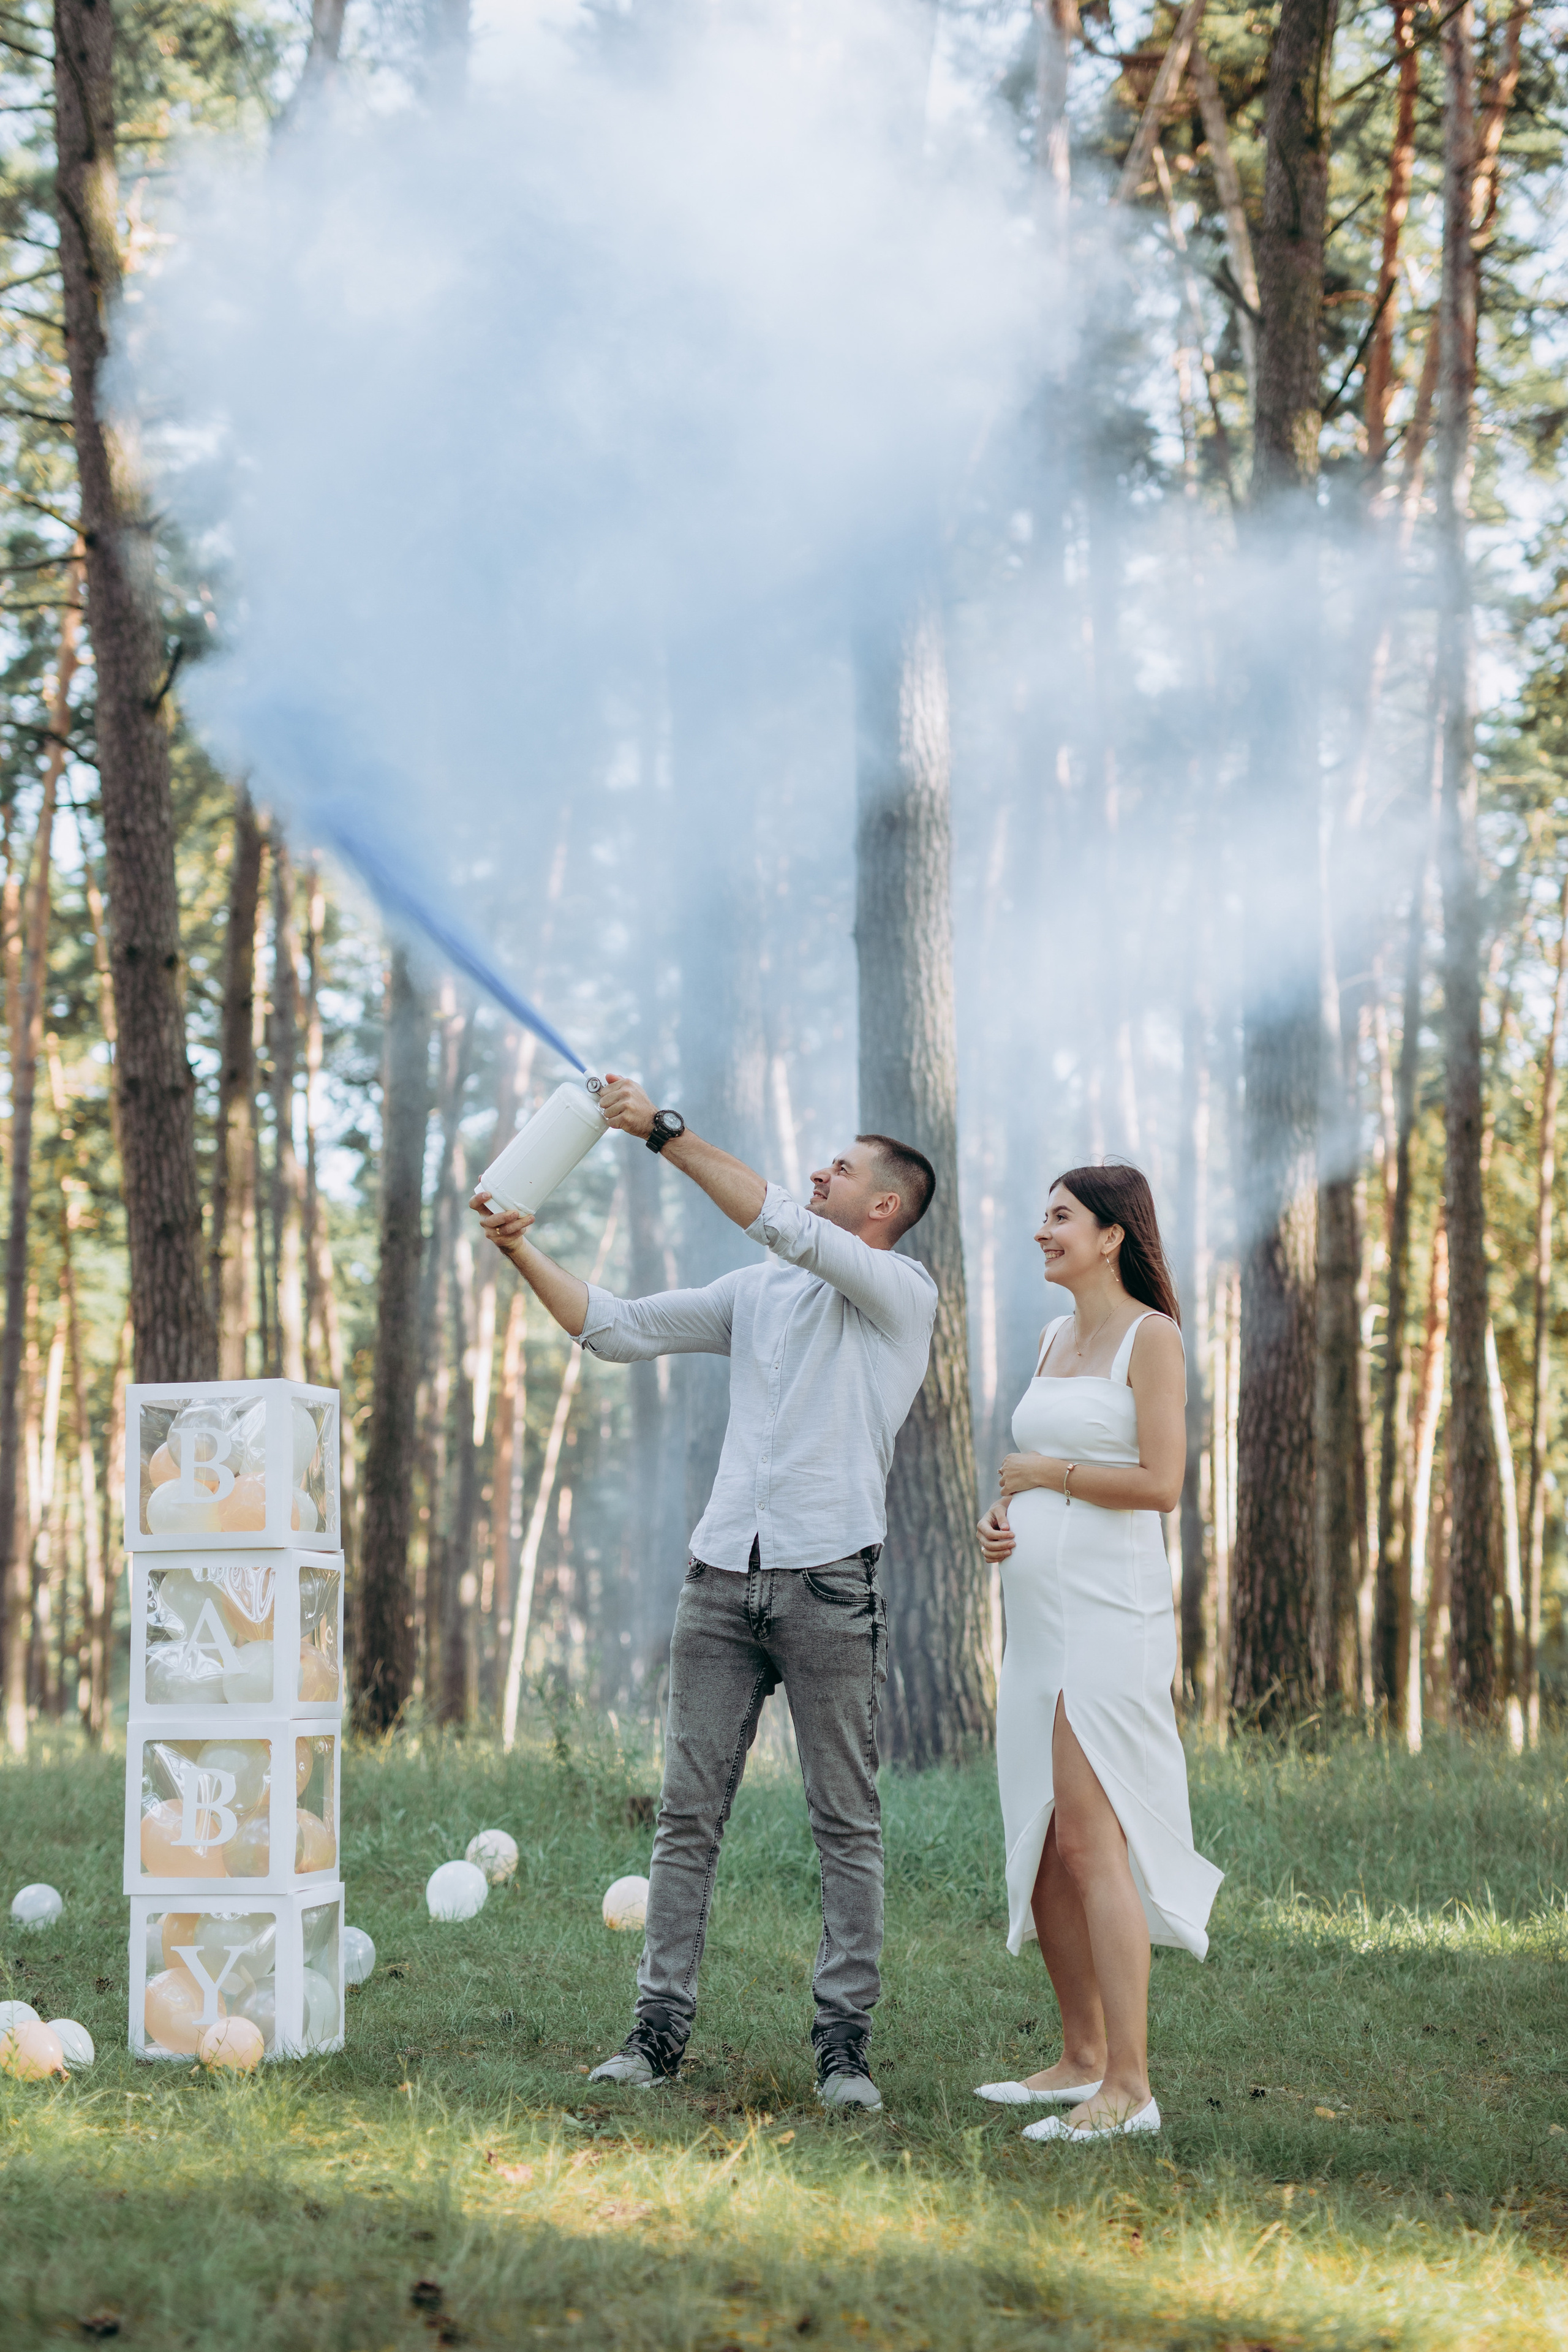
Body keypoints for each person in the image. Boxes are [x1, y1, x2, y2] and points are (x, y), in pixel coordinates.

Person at [472, 1076, 938, 2113]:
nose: (821, 1172)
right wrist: (519, 1248)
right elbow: (618, 1328)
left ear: (884, 1210)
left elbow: (777, 1214)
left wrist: (662, 1130)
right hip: (720, 1581)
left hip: (831, 1586)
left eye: (843, 1168)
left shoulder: (901, 1295)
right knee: (686, 1820)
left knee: (846, 1824)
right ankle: (654, 2036)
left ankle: (844, 2049)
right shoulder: (759, 1291)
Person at [973, 1164, 1222, 2144]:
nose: (1043, 1231)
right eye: (1043, 1215)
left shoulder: (1150, 1338)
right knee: (1040, 1847)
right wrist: (1007, 1516)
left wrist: (1046, 1474)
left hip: (1109, 1622)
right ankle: (1078, 2058)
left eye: (1061, 1217)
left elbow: (1160, 1483)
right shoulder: (1051, 1336)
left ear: (1113, 1235)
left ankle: (1130, 2088)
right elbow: (1037, 1476)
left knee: (1088, 1841)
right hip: (1037, 1625)